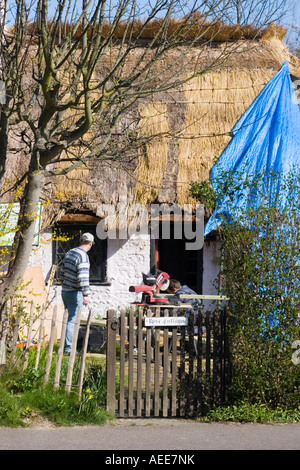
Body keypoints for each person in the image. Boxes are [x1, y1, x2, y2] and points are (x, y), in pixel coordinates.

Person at [60, 232, 94, 354]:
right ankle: (69, 349)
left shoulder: (70, 252)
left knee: (68, 320)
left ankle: (64, 346)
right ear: (90, 244)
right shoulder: (83, 257)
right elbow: (83, 277)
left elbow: (62, 271)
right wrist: (86, 294)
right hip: (75, 292)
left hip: (65, 291)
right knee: (73, 321)